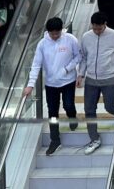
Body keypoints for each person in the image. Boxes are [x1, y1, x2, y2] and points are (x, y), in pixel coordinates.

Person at [24, 17, 81, 156]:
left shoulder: (70, 39)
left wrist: (67, 69)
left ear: (62, 30)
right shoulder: (42, 44)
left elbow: (78, 56)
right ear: (48, 32)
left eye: (57, 33)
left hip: (68, 81)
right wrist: (30, 85)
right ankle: (55, 140)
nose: (55, 36)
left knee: (68, 105)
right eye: (52, 33)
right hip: (51, 84)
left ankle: (72, 117)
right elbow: (36, 64)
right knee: (52, 112)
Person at [77, 12, 114, 155]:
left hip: (110, 78)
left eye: (100, 28)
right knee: (89, 110)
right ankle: (94, 139)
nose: (97, 31)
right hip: (91, 79)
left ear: (105, 24)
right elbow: (84, 57)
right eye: (94, 28)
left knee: (109, 106)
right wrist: (80, 74)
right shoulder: (86, 37)